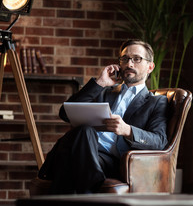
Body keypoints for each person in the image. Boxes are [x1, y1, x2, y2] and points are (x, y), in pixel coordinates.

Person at [38, 39, 169, 195]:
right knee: (85, 132)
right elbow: (65, 114)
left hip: (110, 160)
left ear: (150, 67)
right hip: (85, 150)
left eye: (136, 59)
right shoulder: (104, 91)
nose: (129, 64)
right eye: (125, 59)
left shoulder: (156, 102)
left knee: (72, 156)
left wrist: (127, 130)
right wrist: (100, 82)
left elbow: (160, 141)